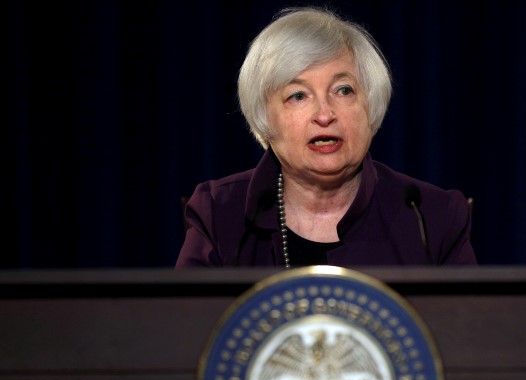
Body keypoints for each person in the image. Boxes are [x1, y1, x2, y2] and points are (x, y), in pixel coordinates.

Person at [176, 6, 477, 268]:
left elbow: (468, 330)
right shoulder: (218, 212)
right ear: (264, 119)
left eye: (343, 90)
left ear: (370, 106)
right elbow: (186, 330)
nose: (324, 114)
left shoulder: (432, 218)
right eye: (298, 95)